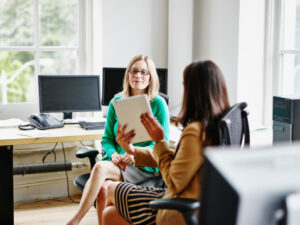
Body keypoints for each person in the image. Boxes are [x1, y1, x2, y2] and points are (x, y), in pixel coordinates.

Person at [99, 60, 231, 225]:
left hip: (179, 203)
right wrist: (133, 151)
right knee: (109, 214)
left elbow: (173, 183)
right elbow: (178, 159)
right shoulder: (216, 124)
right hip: (195, 202)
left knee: (111, 190)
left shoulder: (195, 131)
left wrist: (159, 140)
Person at [66, 55, 170, 225]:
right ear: (128, 74)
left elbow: (160, 143)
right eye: (134, 71)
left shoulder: (158, 104)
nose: (137, 75)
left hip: (143, 167)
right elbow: (107, 139)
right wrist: (113, 154)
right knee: (102, 189)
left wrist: (135, 155)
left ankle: (74, 221)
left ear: (151, 77)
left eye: (144, 72)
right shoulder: (116, 101)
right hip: (118, 164)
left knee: (99, 167)